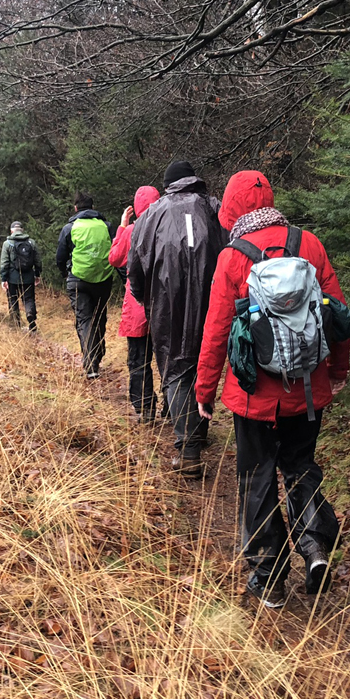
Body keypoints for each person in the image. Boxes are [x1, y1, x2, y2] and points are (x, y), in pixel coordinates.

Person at [195, 170, 350, 609]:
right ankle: (315, 544)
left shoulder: (233, 258)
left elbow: (217, 330)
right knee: (300, 466)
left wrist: (204, 391)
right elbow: (337, 314)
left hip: (252, 397)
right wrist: (338, 370)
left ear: (232, 209)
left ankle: (270, 577)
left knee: (257, 478)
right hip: (306, 389)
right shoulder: (309, 244)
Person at [128, 160, 227, 476]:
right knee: (204, 360)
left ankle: (189, 450)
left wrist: (145, 298)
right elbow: (231, 247)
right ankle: (197, 435)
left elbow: (136, 263)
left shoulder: (153, 213)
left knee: (174, 367)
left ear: (169, 184)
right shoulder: (213, 207)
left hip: (166, 301)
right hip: (213, 296)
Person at [109, 185, 162, 423]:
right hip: (166, 304)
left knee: (138, 360)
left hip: (138, 306)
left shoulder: (132, 230)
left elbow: (115, 258)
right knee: (169, 359)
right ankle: (174, 408)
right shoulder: (167, 226)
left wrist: (122, 226)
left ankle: (145, 408)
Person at [56, 192, 116, 379]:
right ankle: (97, 355)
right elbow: (117, 251)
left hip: (78, 280)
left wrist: (66, 274)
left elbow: (60, 257)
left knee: (84, 319)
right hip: (103, 279)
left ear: (76, 208)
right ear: (92, 206)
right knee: (99, 317)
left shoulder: (70, 228)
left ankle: (91, 363)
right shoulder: (106, 226)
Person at [0, 220, 43, 332]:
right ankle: (31, 320)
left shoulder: (7, 244)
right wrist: (37, 274)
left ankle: (15, 325)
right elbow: (37, 260)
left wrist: (4, 278)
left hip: (12, 278)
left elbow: (4, 263)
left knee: (13, 300)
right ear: (22, 230)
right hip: (28, 277)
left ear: (11, 230)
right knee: (28, 299)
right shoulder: (31, 242)